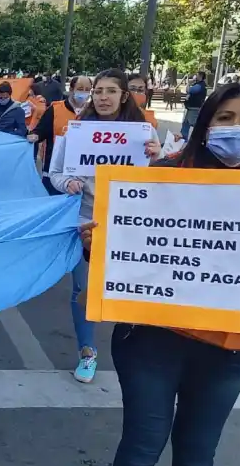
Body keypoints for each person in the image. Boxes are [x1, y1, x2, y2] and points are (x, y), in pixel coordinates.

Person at [78, 82, 240, 466]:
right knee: (142, 445)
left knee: (197, 456)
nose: (237, 130)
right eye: (226, 118)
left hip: (229, 349)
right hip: (151, 339)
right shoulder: (165, 174)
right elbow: (116, 251)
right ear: (206, 124)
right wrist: (96, 240)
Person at [49, 68, 162, 384]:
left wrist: (158, 157)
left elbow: (163, 181)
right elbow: (55, 173)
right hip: (88, 224)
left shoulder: (144, 133)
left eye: (110, 91)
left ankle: (138, 354)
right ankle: (87, 351)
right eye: (98, 91)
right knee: (84, 290)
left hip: (131, 225)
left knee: (132, 291)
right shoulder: (76, 133)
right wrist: (68, 181)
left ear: (124, 96)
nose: (102, 97)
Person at [29, 75, 93, 194]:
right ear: (71, 90)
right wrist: (33, 136)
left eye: (87, 90)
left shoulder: (92, 113)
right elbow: (40, 131)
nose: (84, 93)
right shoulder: (55, 110)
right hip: (54, 172)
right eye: (80, 89)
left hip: (81, 176)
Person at [182, 71, 207, 140]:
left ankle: (201, 136)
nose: (195, 76)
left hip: (194, 108)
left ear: (200, 76)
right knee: (186, 123)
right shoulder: (200, 85)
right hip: (192, 107)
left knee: (193, 123)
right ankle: (183, 137)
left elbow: (188, 90)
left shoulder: (199, 86)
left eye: (197, 75)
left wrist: (189, 83)